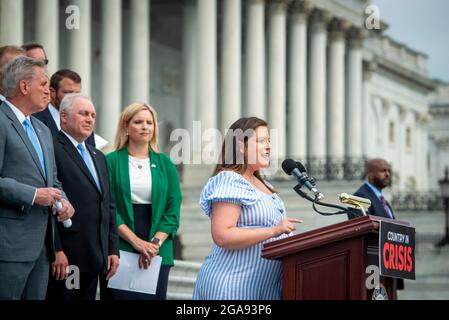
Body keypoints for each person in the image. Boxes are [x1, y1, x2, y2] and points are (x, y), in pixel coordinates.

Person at [192, 117, 302, 300]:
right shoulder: (230, 179)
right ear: (241, 147)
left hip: (264, 290)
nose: (268, 147)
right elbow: (222, 235)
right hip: (232, 287)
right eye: (261, 141)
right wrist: (274, 231)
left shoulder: (263, 183)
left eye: (269, 141)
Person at [0, 56, 74, 299]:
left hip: (43, 247)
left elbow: (51, 180)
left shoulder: (42, 129)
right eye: (43, 84)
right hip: (9, 247)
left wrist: (63, 200)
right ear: (24, 86)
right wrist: (33, 195)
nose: (48, 92)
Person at [47, 93, 119, 300]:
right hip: (67, 258)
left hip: (95, 256)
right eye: (83, 114)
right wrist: (56, 250)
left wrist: (112, 249)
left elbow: (108, 205)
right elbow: (49, 207)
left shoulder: (98, 156)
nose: (89, 119)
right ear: (64, 117)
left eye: (93, 115)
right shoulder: (51, 147)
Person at [106, 102, 182, 300]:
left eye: (149, 122)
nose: (145, 126)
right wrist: (137, 243)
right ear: (125, 126)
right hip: (121, 245)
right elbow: (108, 207)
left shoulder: (165, 163)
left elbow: (172, 210)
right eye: (138, 122)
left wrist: (153, 244)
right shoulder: (111, 161)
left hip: (158, 247)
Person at [34, 69, 96, 147]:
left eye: (77, 94)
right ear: (52, 92)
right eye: (69, 93)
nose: (74, 98)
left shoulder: (85, 124)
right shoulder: (36, 120)